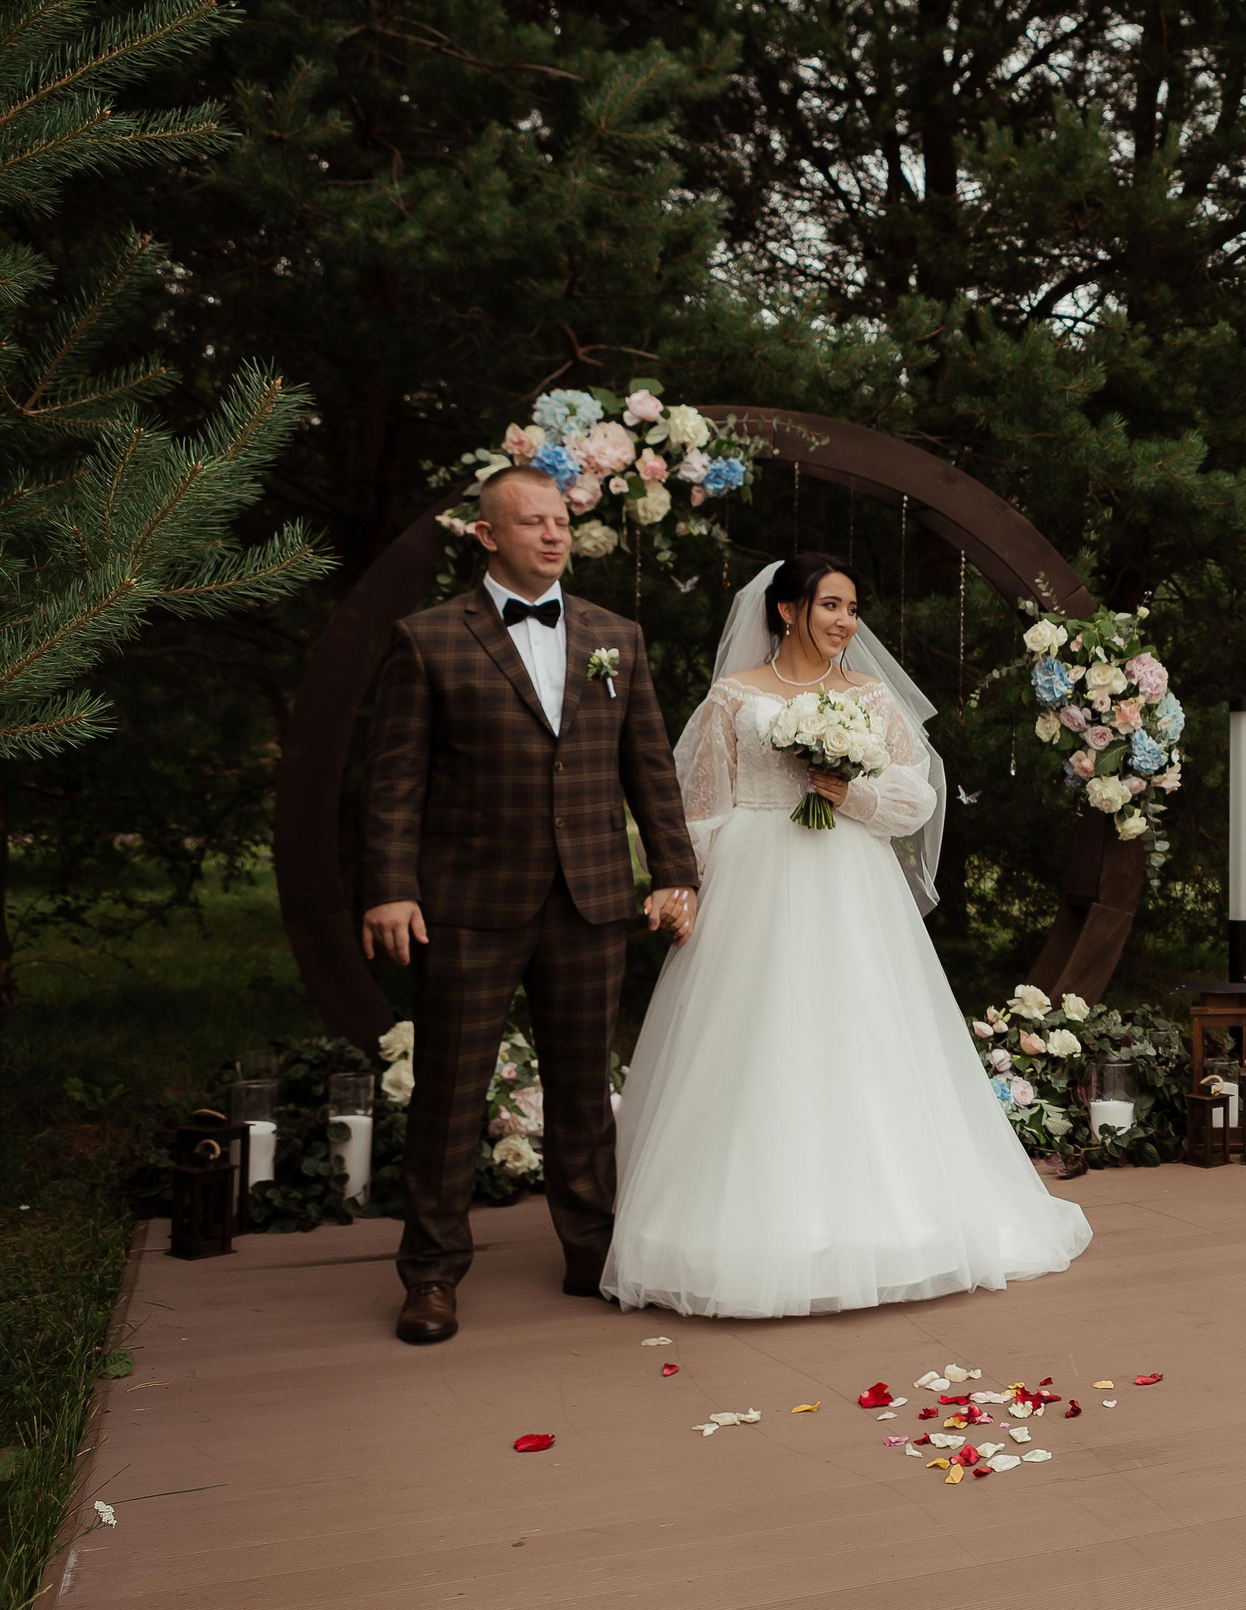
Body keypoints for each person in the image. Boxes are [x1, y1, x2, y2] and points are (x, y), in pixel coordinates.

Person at [599, 553, 1091, 1316]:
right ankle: (744, 1226)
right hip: (754, 886)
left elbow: (917, 797)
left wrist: (849, 791)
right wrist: (687, 893)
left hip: (852, 887)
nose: (845, 623)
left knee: (863, 1035)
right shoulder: (732, 698)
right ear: (787, 610)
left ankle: (888, 1216)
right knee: (759, 1039)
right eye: (830, 605)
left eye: (853, 609)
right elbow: (697, 811)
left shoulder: (868, 694)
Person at [362, 468, 700, 1346]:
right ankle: (431, 1275)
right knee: (448, 1093)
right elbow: (394, 776)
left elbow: (650, 768)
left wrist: (675, 871)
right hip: (466, 903)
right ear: (485, 535)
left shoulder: (613, 635)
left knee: (586, 1092)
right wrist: (390, 886)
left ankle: (592, 1251)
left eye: (561, 522)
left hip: (587, 897)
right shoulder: (428, 637)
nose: (553, 536)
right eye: (531, 522)